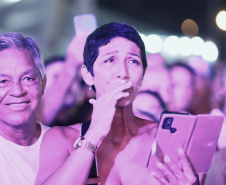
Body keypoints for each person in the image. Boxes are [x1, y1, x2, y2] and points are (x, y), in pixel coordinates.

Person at [35, 22, 197, 185]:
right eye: (110, 60)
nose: (123, 73)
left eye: (133, 62)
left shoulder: (163, 139)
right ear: (88, 74)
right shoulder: (61, 139)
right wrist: (94, 134)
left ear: (142, 76)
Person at [0, 32, 49, 185]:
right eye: (3, 81)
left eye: (28, 79)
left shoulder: (67, 143)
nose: (17, 91)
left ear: (42, 84)